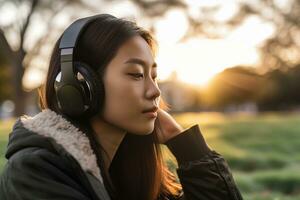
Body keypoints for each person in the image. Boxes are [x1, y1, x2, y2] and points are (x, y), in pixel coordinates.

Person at [0, 14, 243, 200]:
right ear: (79, 86)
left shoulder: (129, 169)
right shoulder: (34, 171)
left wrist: (187, 147)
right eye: (136, 74)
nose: (155, 91)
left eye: (154, 76)